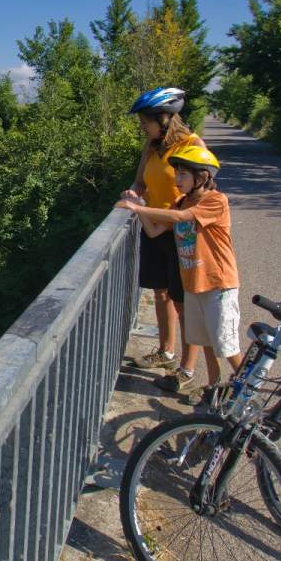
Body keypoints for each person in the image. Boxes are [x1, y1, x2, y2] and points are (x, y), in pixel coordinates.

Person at [116, 142, 242, 401]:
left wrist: (138, 208)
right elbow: (153, 231)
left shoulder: (215, 201)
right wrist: (138, 202)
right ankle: (213, 386)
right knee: (206, 339)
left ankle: (247, 394)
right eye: (177, 173)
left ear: (203, 177)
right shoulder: (180, 202)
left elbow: (183, 219)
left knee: (226, 343)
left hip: (218, 283)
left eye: (183, 174)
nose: (177, 178)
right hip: (193, 284)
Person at [122, 87, 205, 380]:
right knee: (161, 293)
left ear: (166, 118)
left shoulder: (191, 146)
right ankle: (166, 352)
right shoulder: (151, 147)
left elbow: (202, 194)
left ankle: (187, 368)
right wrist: (134, 192)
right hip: (153, 227)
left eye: (146, 120)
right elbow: (140, 182)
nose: (143, 126)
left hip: (180, 232)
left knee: (184, 302)